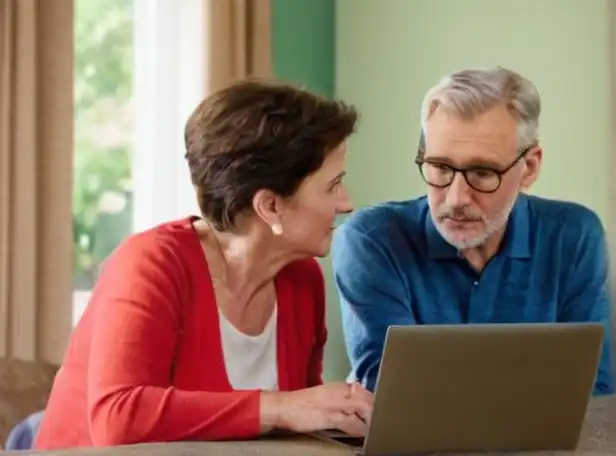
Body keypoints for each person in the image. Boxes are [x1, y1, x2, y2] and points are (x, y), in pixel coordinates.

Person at [35, 79, 373, 449]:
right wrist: (280, 407)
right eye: (332, 185)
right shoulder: (152, 263)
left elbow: (294, 427)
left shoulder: (301, 279)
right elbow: (118, 417)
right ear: (270, 206)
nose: (346, 203)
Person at [332, 66, 613, 396]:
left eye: (482, 172)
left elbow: (595, 390)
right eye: (439, 167)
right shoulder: (372, 240)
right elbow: (395, 392)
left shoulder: (575, 236)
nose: (456, 199)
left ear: (530, 167)